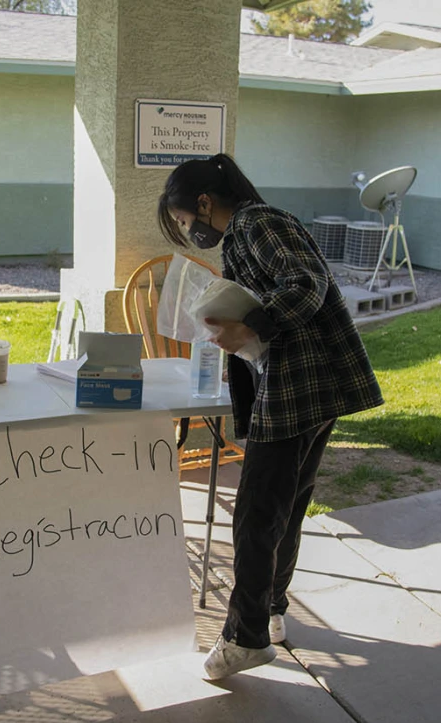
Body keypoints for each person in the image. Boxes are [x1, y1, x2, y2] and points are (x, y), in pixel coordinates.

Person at [157, 153, 384, 680]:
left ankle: (247, 636)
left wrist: (251, 326)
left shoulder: (255, 222)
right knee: (283, 507)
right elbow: (293, 287)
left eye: (187, 221)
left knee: (258, 514)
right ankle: (273, 609)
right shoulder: (257, 225)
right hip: (306, 384)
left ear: (206, 203)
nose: (191, 232)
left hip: (296, 386)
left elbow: (306, 284)